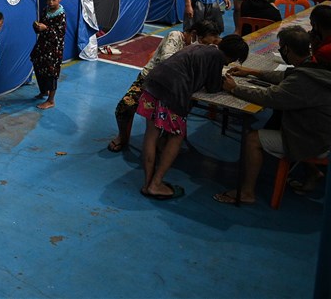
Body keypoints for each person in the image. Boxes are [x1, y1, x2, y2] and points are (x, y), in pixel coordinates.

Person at [214, 26, 331, 204]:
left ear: (286, 49)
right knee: (276, 119)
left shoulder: (302, 79)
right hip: (322, 131)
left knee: (253, 139)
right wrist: (252, 72)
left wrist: (235, 88)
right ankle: (313, 172)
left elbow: (270, 98)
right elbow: (286, 75)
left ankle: (247, 193)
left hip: (313, 138)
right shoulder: (314, 65)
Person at [137, 35, 250, 200]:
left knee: (151, 134)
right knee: (177, 136)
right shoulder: (218, 57)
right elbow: (212, 87)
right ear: (232, 57)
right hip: (173, 90)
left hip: (153, 82)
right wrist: (227, 84)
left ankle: (147, 184)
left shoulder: (203, 47)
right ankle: (156, 184)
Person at [107, 22, 221, 152]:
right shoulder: (175, 37)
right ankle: (122, 136)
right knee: (124, 106)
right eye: (203, 42)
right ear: (194, 34)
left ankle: (164, 139)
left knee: (179, 112)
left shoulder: (204, 49)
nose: (205, 47)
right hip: (150, 82)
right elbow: (167, 62)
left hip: (175, 89)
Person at [31, 0, 65, 110]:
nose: (50, 2)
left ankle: (51, 100)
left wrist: (46, 28)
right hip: (42, 46)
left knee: (51, 73)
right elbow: (40, 28)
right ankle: (44, 91)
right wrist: (37, 27)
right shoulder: (46, 11)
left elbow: (59, 35)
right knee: (38, 65)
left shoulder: (61, 15)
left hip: (53, 50)